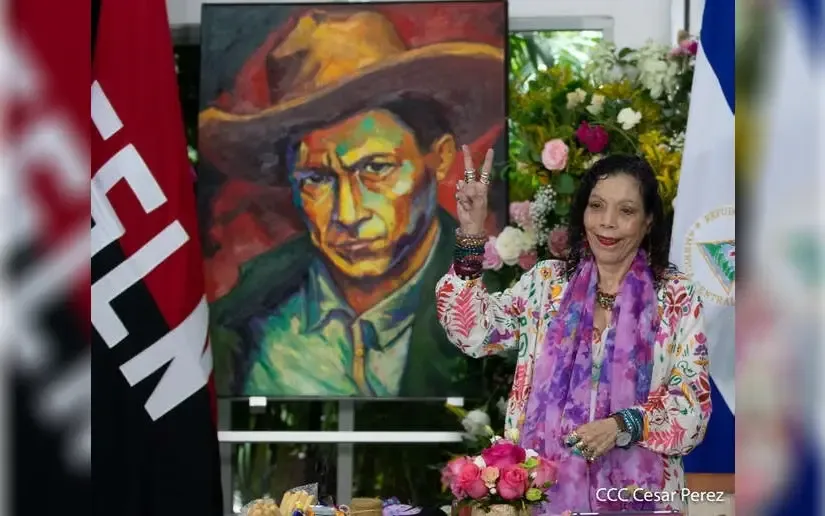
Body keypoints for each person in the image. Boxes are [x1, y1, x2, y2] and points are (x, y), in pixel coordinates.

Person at [198, 9, 505, 397]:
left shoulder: (494, 303)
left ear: (440, 157)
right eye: (316, 179)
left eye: (375, 168)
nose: (348, 214)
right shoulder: (246, 318)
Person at [436, 150, 711, 514]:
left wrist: (623, 425)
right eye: (597, 206)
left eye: (626, 211)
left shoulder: (676, 297)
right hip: (543, 497)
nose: (607, 222)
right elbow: (472, 332)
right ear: (582, 213)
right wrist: (471, 235)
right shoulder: (545, 284)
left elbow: (692, 409)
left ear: (648, 222)